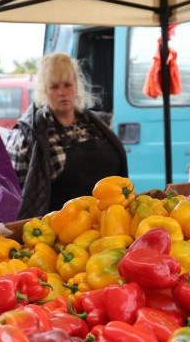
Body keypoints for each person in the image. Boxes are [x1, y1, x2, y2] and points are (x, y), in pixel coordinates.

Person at [7, 52, 128, 219]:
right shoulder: (28, 135)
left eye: (67, 85)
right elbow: (14, 194)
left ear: (76, 85)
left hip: (108, 221)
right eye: (54, 87)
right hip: (59, 228)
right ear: (44, 90)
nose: (62, 92)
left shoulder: (98, 126)